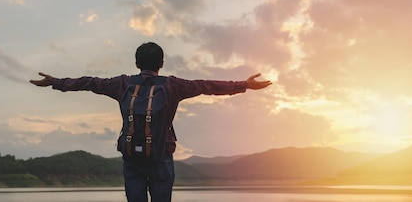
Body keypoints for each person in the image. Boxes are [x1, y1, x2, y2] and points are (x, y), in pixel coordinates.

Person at [30, 42, 272, 202]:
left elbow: (90, 82)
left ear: (136, 63)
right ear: (162, 64)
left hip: (131, 158)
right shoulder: (173, 85)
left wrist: (56, 82)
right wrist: (244, 85)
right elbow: (206, 86)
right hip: (161, 155)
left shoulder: (123, 83)